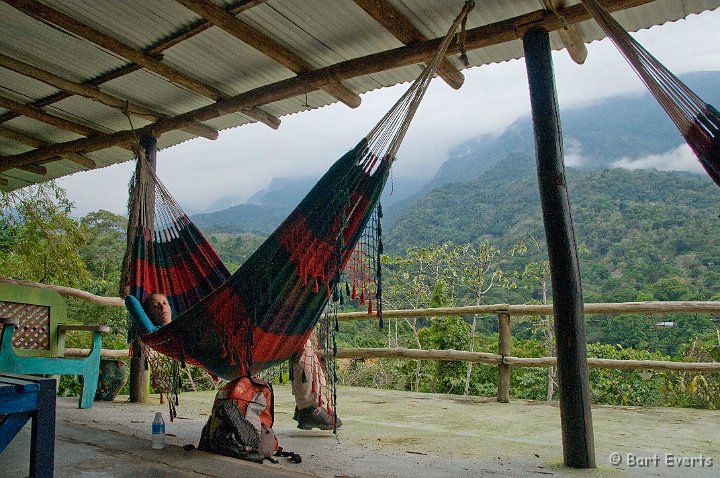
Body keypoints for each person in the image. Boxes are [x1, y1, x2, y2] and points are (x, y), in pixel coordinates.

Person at [141, 292, 341, 430]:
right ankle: (307, 407)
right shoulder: (166, 336)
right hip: (227, 355)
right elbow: (132, 303)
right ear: (150, 313)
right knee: (300, 343)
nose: (162, 307)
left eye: (165, 302)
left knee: (300, 341)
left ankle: (307, 407)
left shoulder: (185, 319)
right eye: (156, 305)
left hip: (236, 345)